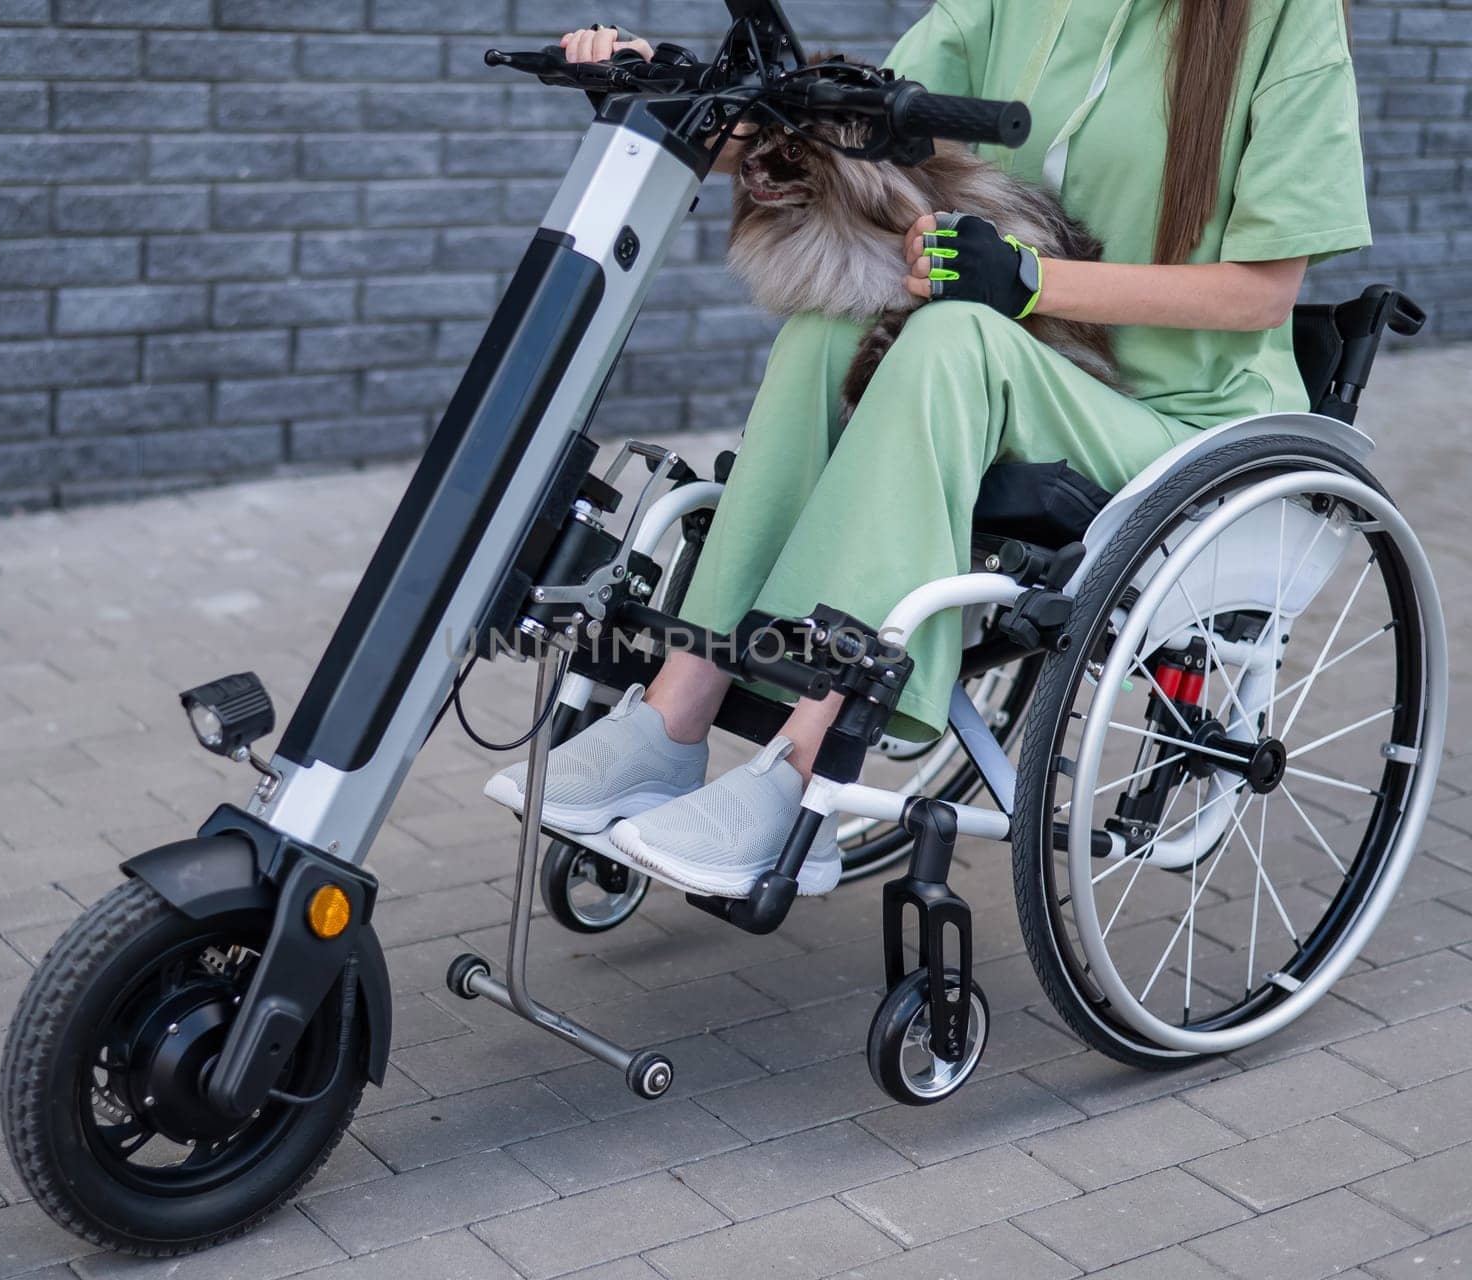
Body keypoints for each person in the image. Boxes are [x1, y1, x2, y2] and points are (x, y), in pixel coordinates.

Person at [487, 1, 1370, 898]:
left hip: (1182, 418)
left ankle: (805, 775)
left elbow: (1262, 294)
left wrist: (1031, 281)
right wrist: (667, 86)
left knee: (950, 337)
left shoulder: (1281, 17)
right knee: (824, 335)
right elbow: (841, 120)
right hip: (1024, 370)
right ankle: (676, 717)